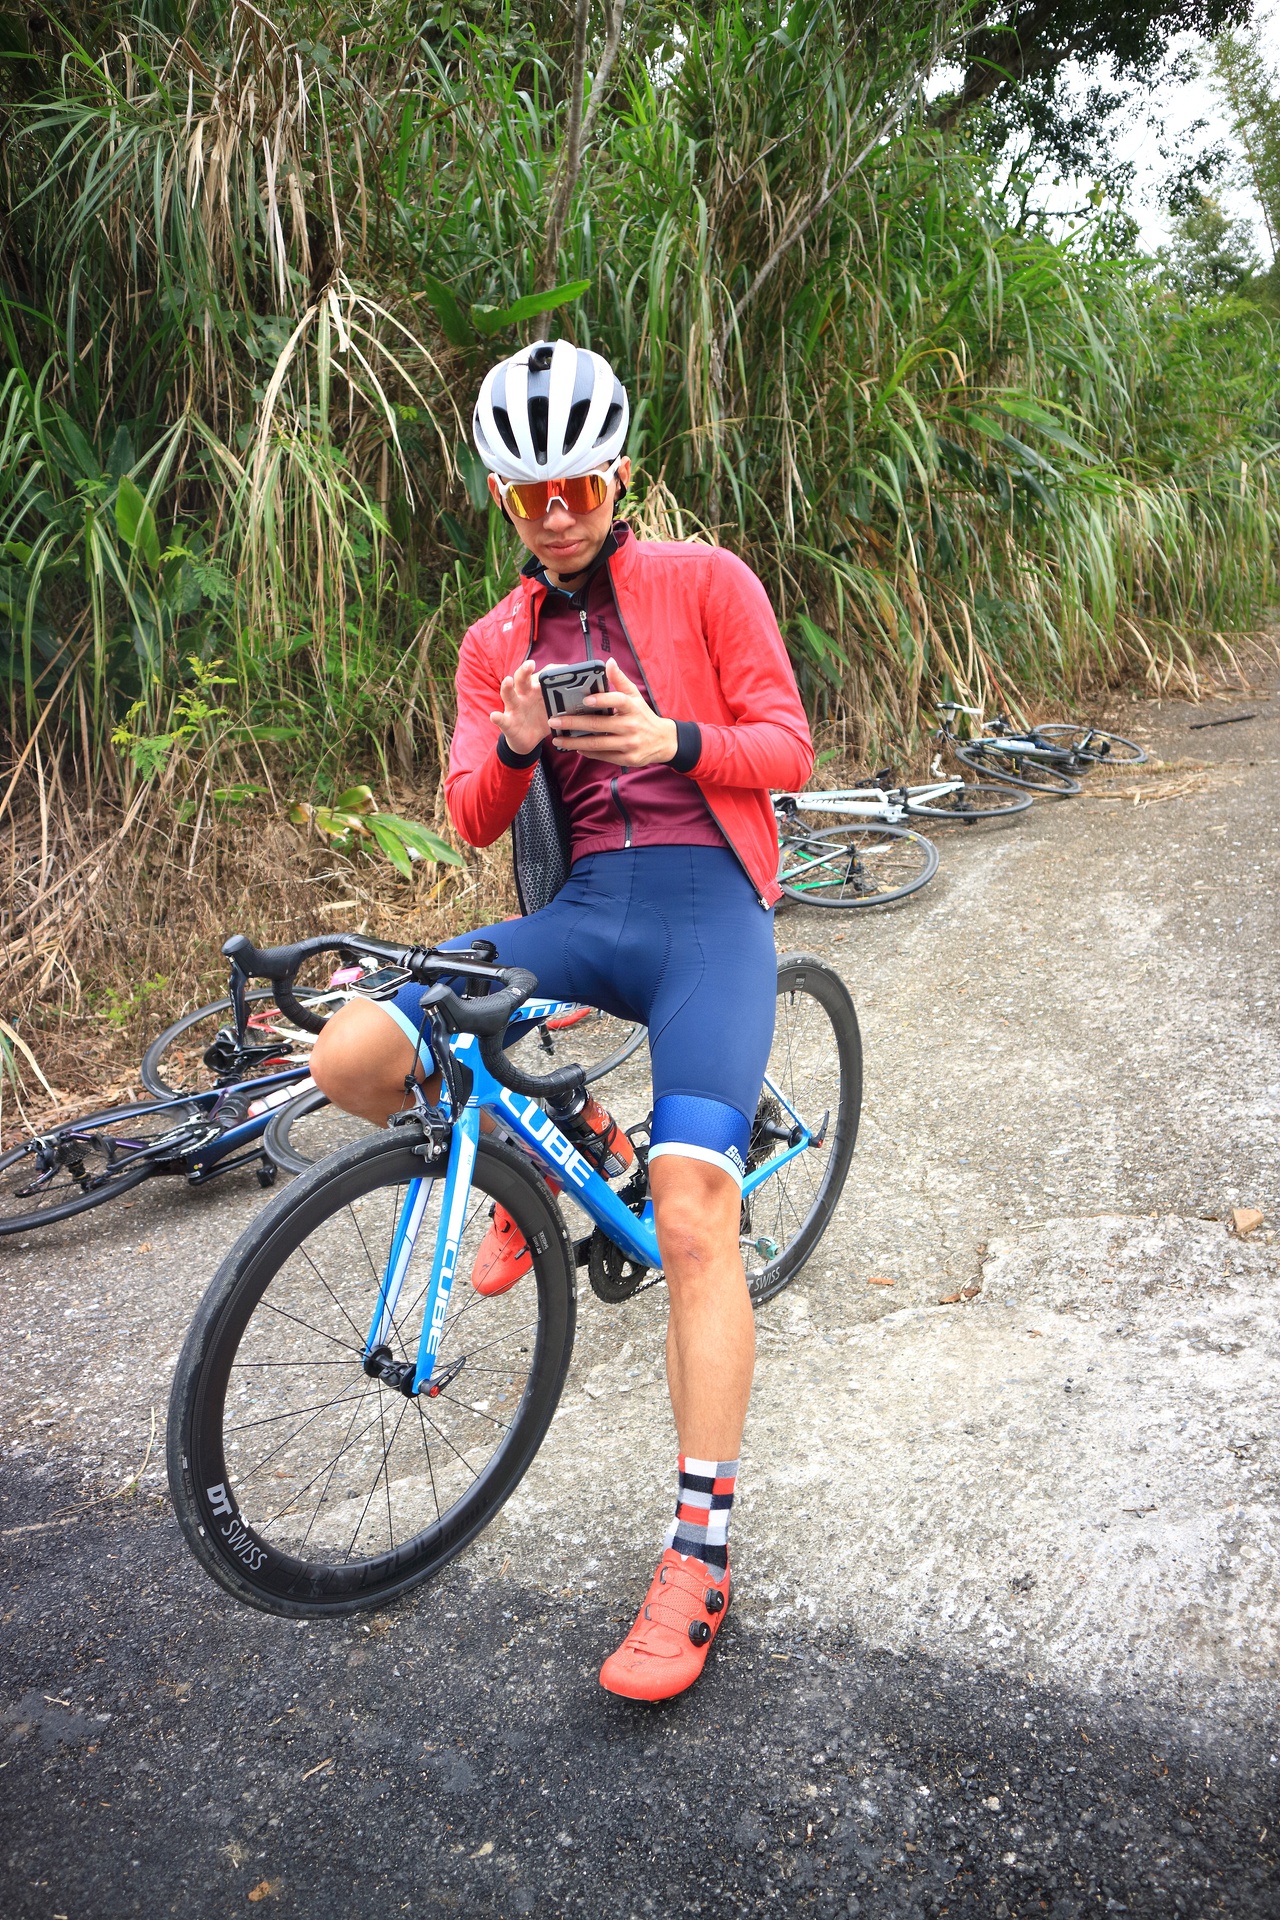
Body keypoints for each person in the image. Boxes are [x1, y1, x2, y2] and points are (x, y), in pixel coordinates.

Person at [310, 339, 813, 1700]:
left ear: (619, 478)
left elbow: (789, 746)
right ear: (501, 499)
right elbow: (473, 817)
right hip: (584, 909)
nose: (556, 513)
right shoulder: (495, 641)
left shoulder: (707, 581)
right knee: (353, 1050)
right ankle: (549, 1146)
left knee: (692, 1215)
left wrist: (672, 741)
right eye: (530, 495)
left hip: (710, 912)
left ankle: (698, 1554)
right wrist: (519, 738)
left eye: (578, 486)